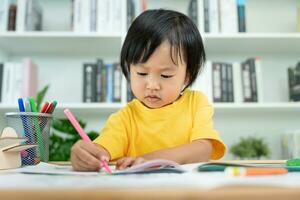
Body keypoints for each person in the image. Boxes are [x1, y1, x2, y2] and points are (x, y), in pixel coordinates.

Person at [71, 9, 226, 171]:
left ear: (186, 76)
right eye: (142, 73)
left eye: (166, 75)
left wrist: (149, 160)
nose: (152, 85)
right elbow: (101, 151)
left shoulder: (196, 103)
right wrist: (86, 155)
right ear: (128, 68)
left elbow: (203, 150)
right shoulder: (125, 119)